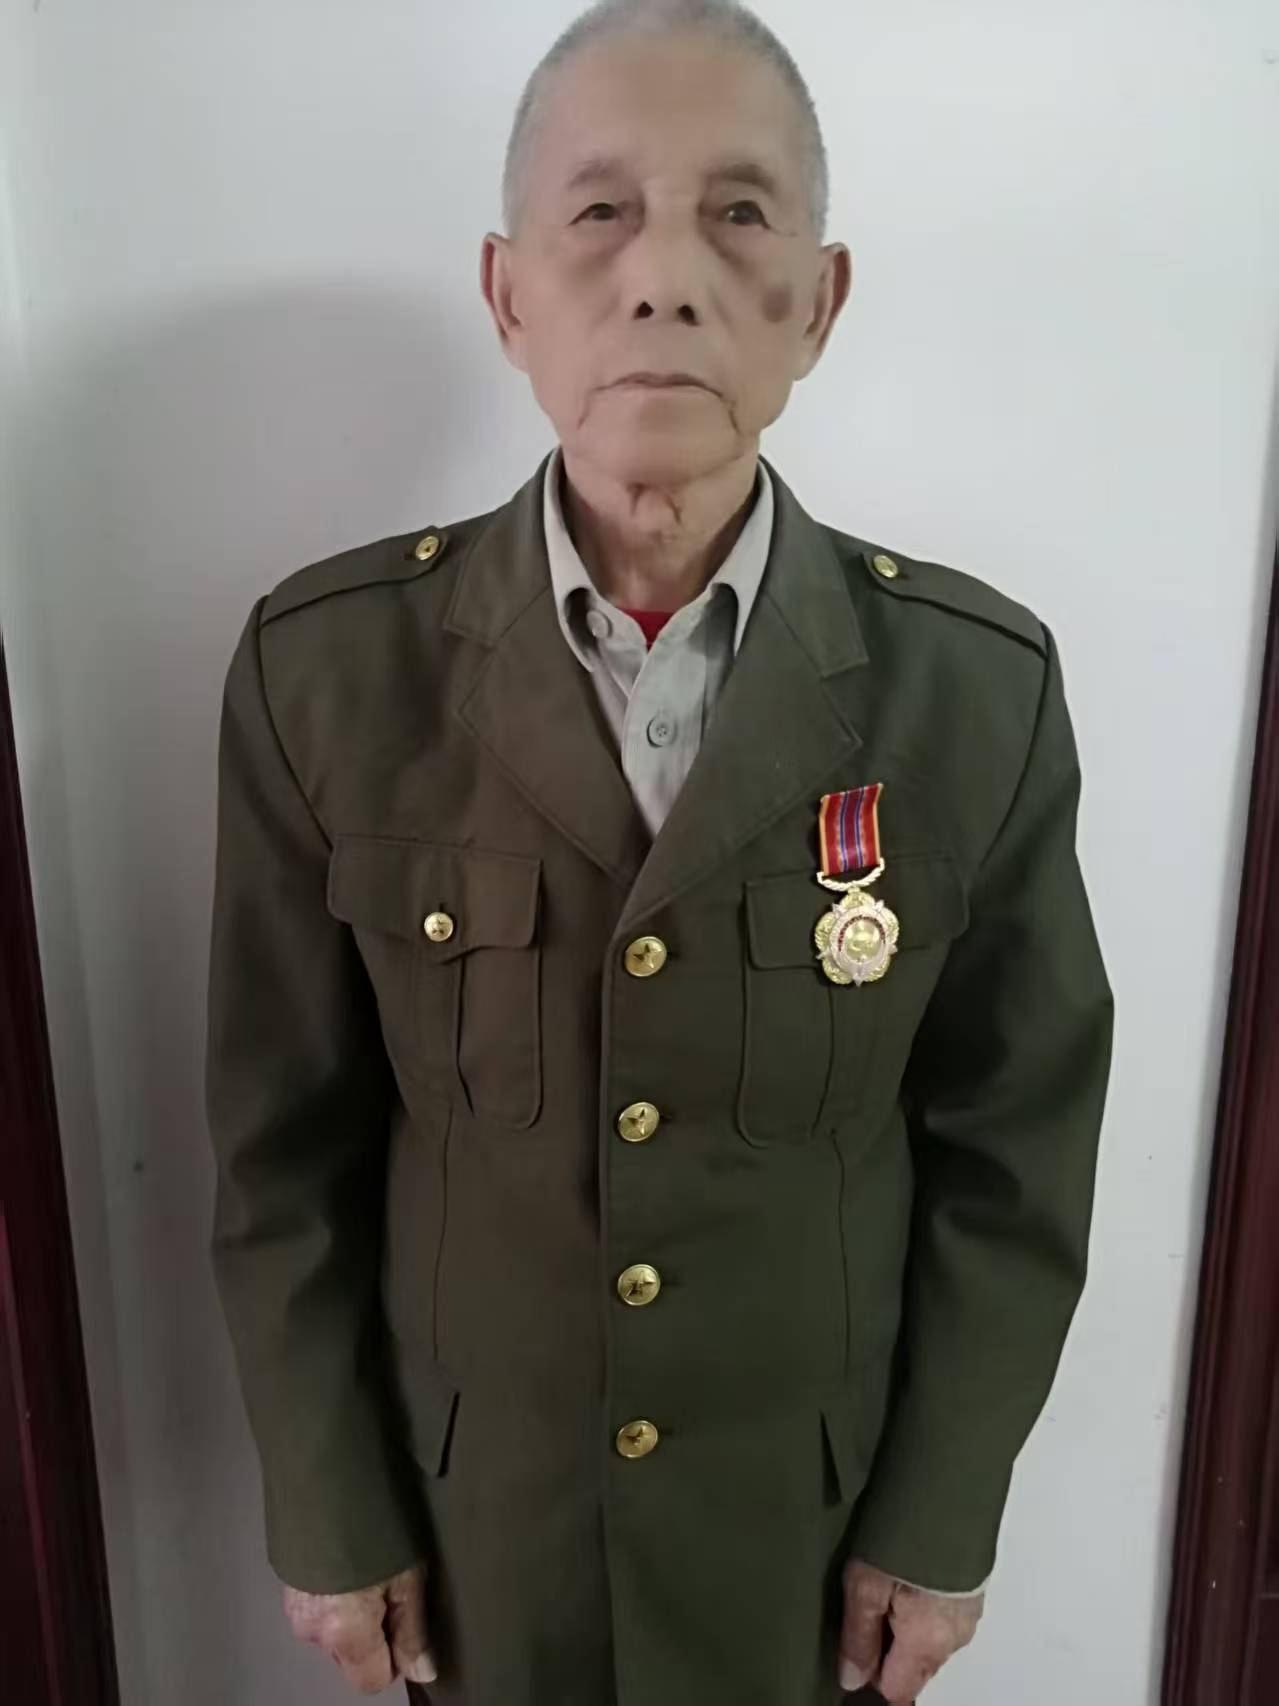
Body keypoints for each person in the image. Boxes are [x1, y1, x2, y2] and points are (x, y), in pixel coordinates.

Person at [204, 3, 1114, 1703]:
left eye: (738, 213)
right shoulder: (329, 677)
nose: (664, 278)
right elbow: (282, 1153)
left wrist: (942, 1517)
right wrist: (328, 1506)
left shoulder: (971, 694)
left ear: (817, 302)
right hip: (478, 1542)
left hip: (804, 1552)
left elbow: (1016, 1149)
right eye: (601, 212)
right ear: (509, 295)